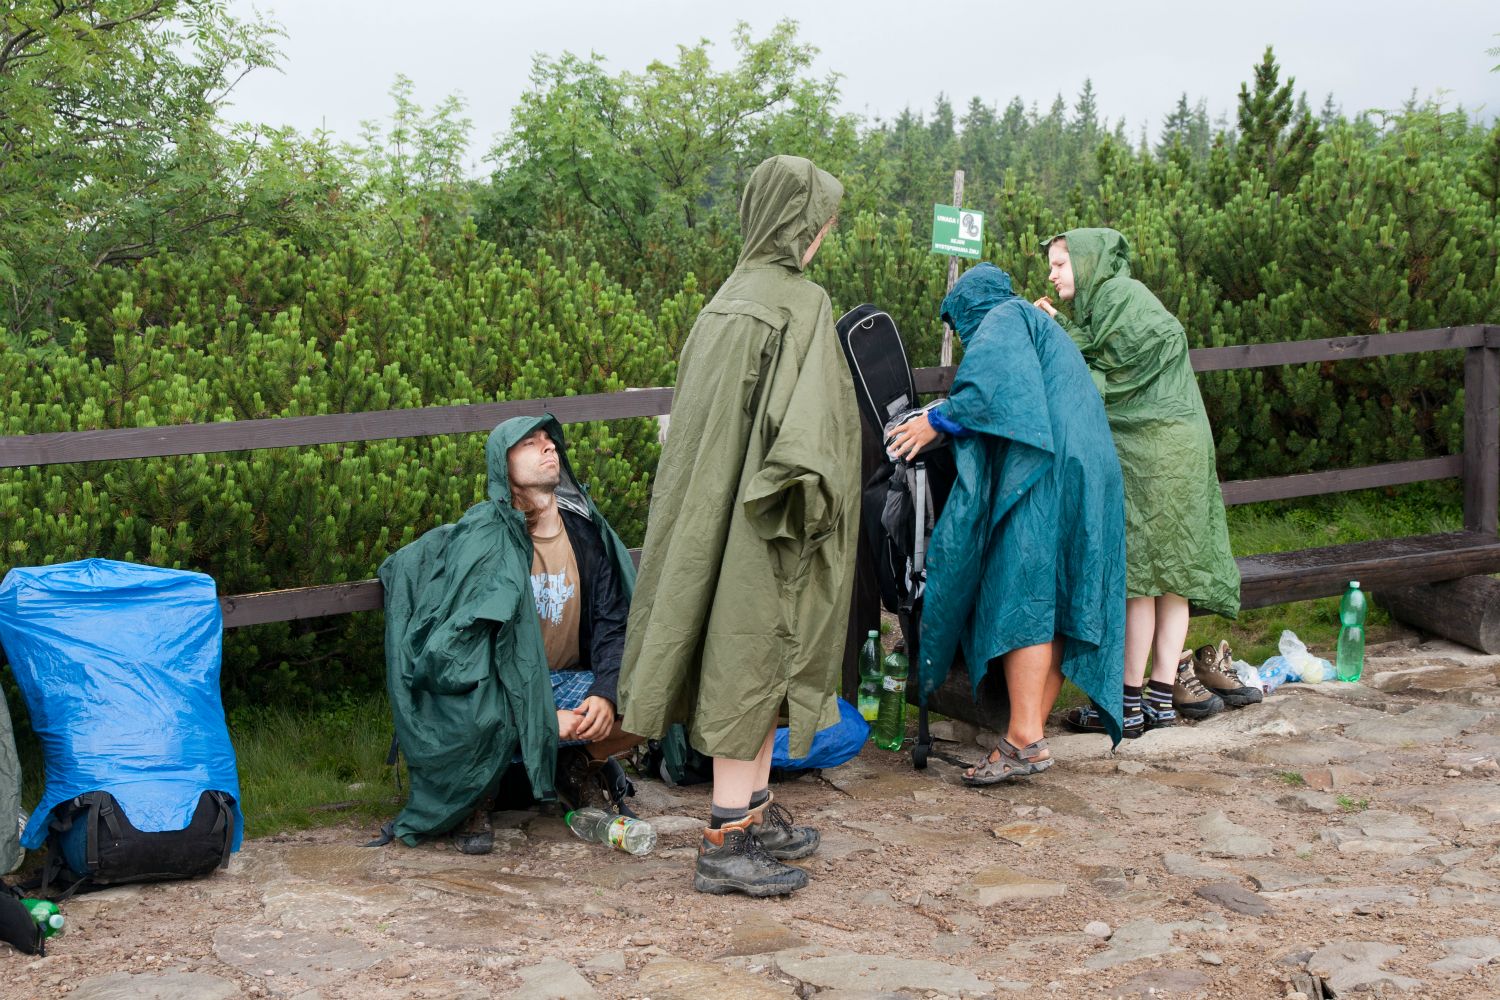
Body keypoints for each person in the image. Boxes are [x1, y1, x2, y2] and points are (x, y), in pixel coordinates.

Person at [618, 154, 860, 897]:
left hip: (708, 512)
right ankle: (726, 839)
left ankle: (753, 810)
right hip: (767, 517)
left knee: (744, 655)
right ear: (798, 225)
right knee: (751, 655)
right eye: (820, 224)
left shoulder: (721, 302)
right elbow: (815, 434)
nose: (822, 237)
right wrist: (819, 509)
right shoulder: (802, 303)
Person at [887, 263, 1127, 781]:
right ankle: (1027, 736)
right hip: (1089, 470)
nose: (963, 336)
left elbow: (993, 393)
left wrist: (936, 420)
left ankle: (1024, 739)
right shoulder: (1034, 322)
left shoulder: (1000, 317)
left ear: (970, 306)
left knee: (1026, 593)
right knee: (1059, 598)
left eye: (959, 324)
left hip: (1049, 470)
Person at [378, 414, 638, 854]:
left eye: (549, 440)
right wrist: (540, 715)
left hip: (563, 682)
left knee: (648, 691)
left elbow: (614, 625)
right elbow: (462, 657)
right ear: (504, 465)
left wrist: (605, 693)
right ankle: (476, 793)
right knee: (474, 712)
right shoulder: (484, 539)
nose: (548, 446)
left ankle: (577, 766)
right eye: (530, 443)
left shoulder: (586, 534)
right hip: (498, 689)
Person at [1035, 229, 1240, 736]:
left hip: (1154, 452)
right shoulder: (1122, 298)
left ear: (1088, 261)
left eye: (1060, 264)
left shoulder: (1118, 296)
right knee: (1172, 576)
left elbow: (1109, 376)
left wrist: (1054, 330)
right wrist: (1064, 325)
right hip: (1182, 446)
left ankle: (1127, 707)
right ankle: (1161, 701)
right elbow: (1111, 354)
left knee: (1142, 577)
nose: (1052, 274)